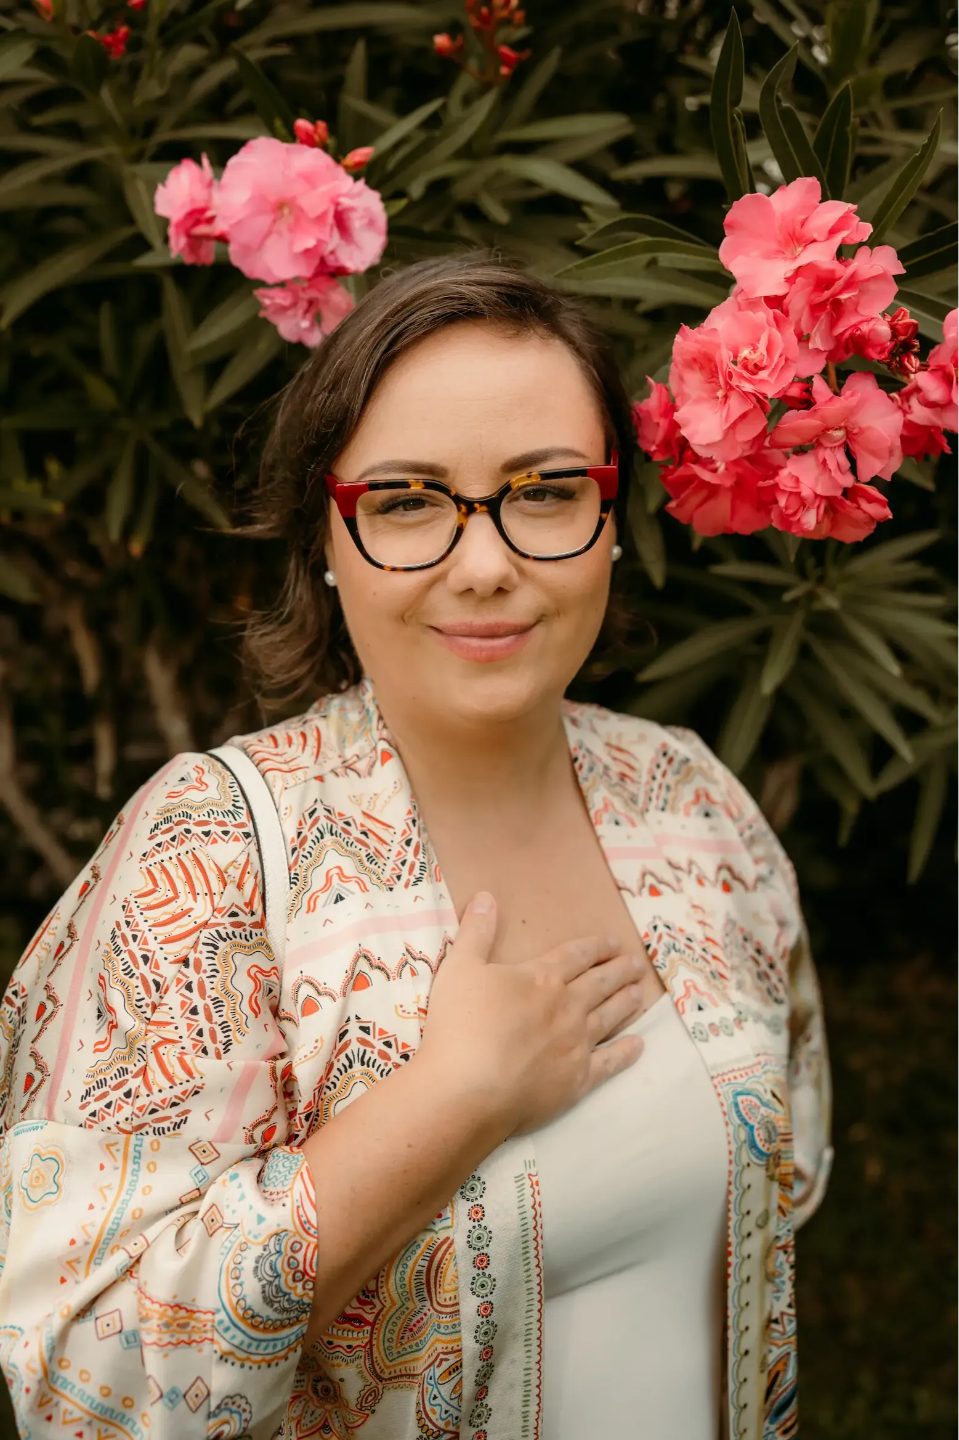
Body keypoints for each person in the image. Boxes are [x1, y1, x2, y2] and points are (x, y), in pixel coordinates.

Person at [0, 253, 831, 1440]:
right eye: (404, 502)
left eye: (545, 491)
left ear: (608, 522)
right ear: (324, 537)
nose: (484, 566)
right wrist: (451, 1099)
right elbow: (92, 1379)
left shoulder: (689, 801)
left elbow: (781, 1184)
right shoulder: (215, 849)